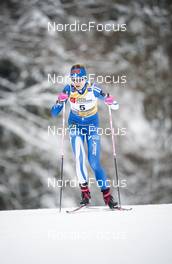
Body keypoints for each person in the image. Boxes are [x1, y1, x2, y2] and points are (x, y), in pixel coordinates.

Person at [51, 64, 119, 209]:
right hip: (75, 125)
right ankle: (85, 194)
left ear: (85, 78)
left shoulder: (93, 89)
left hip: (92, 127)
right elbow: (53, 113)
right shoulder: (68, 89)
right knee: (80, 158)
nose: (76, 82)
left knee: (94, 162)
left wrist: (111, 102)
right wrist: (60, 101)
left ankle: (107, 196)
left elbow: (115, 105)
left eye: (80, 79)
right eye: (73, 79)